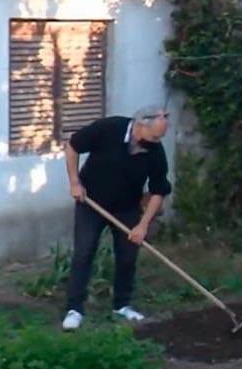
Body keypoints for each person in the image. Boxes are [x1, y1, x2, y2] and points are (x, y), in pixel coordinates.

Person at [61, 105, 172, 330]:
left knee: (127, 257)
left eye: (160, 137)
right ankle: (75, 309)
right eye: (153, 136)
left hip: (127, 209)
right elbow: (72, 147)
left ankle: (122, 306)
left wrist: (143, 225)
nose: (156, 141)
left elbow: (159, 191)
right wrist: (74, 182)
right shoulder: (108, 128)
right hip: (90, 203)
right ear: (140, 125)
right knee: (83, 254)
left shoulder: (155, 152)